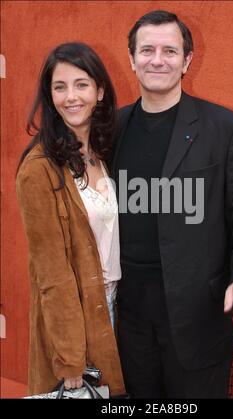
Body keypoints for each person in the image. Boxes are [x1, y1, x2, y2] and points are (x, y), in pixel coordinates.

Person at [112, 10, 233, 398]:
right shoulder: (109, 129)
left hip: (199, 319)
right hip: (128, 320)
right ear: (131, 59)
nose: (157, 59)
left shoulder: (225, 128)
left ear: (186, 61)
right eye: (146, 49)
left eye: (170, 50)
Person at [16, 42, 125, 396]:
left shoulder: (105, 153)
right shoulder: (39, 169)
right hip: (80, 317)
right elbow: (52, 273)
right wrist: (70, 357)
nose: (70, 97)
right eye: (59, 87)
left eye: (81, 84)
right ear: (49, 96)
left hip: (122, 308)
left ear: (100, 91)